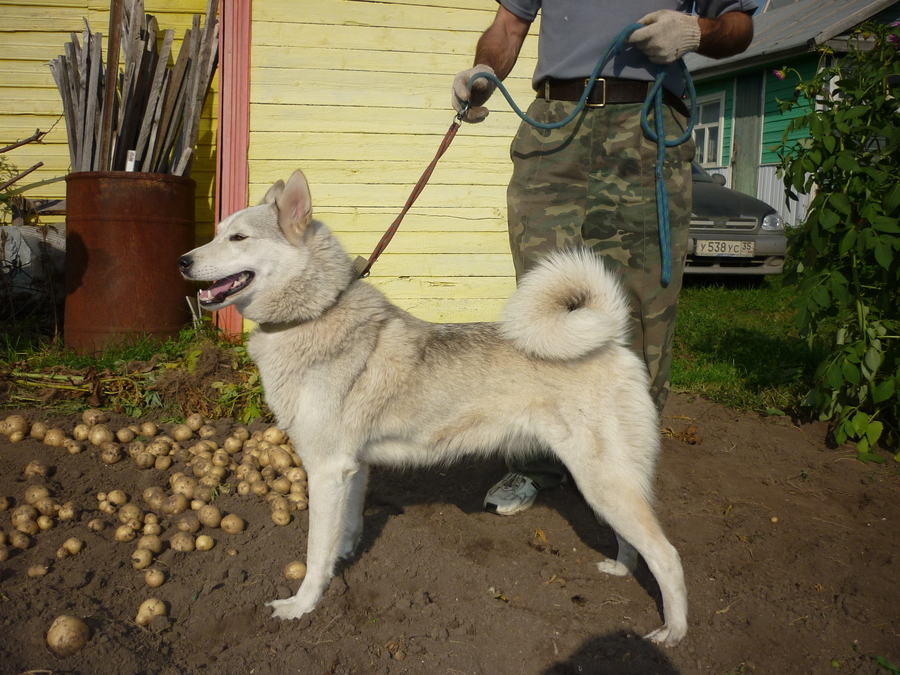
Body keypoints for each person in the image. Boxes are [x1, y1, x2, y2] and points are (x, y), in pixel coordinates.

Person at [452, 0, 756, 515]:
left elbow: (739, 25)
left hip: (644, 128)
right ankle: (537, 461)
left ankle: (621, 461)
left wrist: (695, 31)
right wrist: (484, 72)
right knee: (542, 306)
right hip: (554, 127)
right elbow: (508, 25)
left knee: (641, 307)